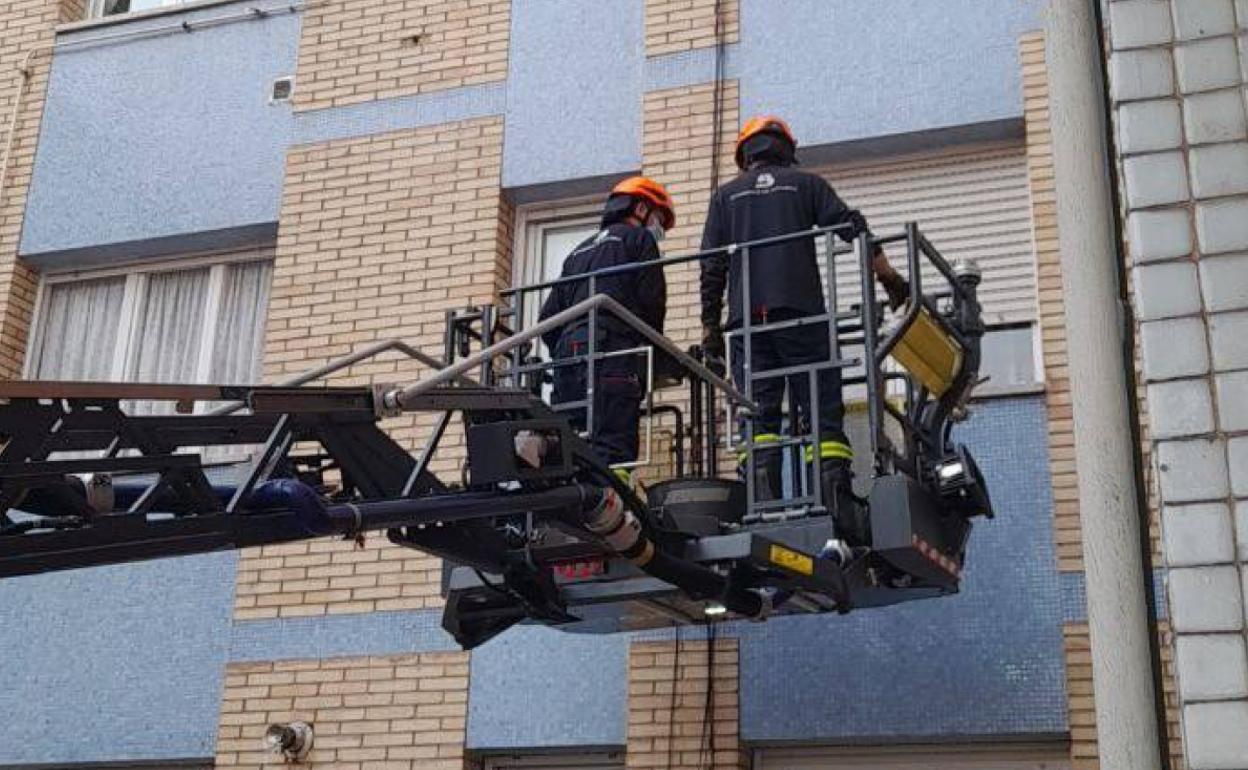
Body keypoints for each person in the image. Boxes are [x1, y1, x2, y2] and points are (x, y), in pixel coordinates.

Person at [699, 116, 908, 543]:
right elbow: (852, 228)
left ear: (745, 154)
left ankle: (763, 511)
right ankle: (835, 509)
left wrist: (710, 328)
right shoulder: (806, 184)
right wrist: (891, 279)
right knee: (820, 411)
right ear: (786, 149)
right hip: (802, 315)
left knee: (758, 415)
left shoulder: (725, 197)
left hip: (747, 325)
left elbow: (711, 265)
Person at [539, 176, 672, 469]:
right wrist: (652, 354)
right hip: (613, 354)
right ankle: (610, 496)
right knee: (613, 449)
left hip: (567, 358)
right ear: (640, 209)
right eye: (659, 220)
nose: (659, 229)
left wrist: (569, 346)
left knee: (570, 445)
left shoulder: (577, 253)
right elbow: (652, 302)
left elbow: (547, 320)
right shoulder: (639, 240)